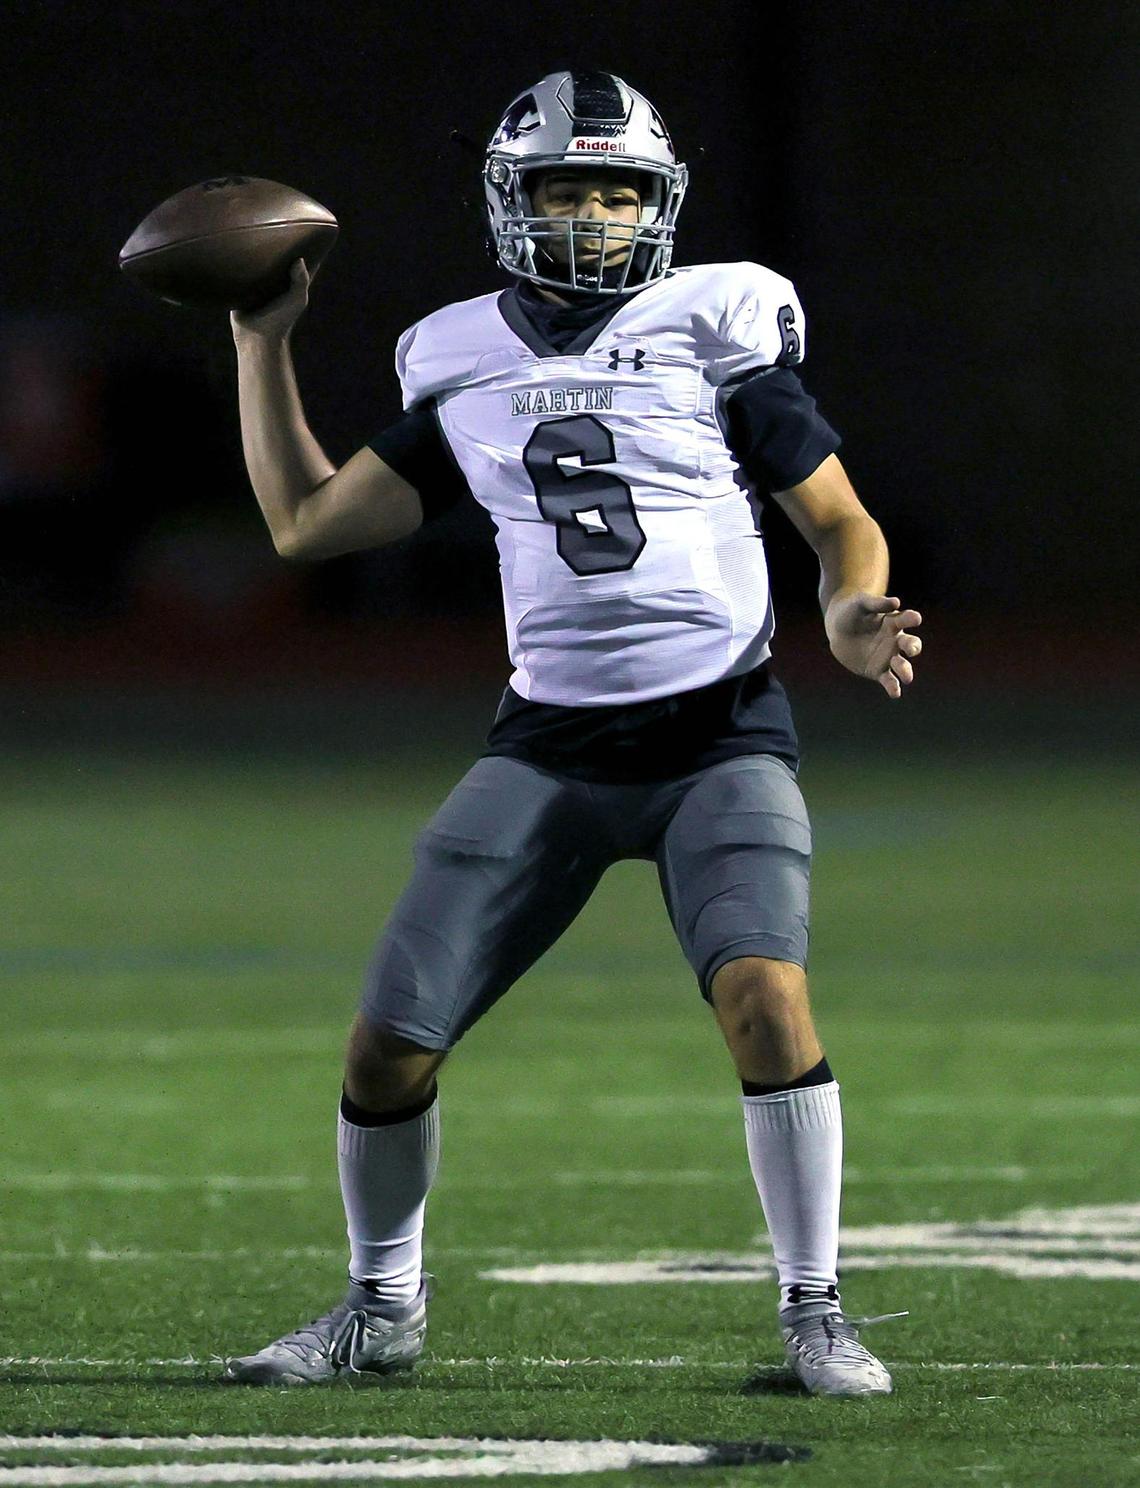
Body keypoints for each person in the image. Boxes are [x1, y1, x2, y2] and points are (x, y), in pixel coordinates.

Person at [222, 69, 921, 1397]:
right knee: (385, 1048)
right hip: (546, 750)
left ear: (657, 203)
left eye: (615, 189)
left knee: (767, 1000)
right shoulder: (462, 355)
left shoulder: (714, 328)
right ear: (511, 198)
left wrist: (849, 611)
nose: (592, 214)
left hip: (719, 738)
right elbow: (305, 524)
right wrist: (261, 342)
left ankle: (816, 1312)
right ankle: (381, 1309)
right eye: (564, 187)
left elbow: (839, 519)